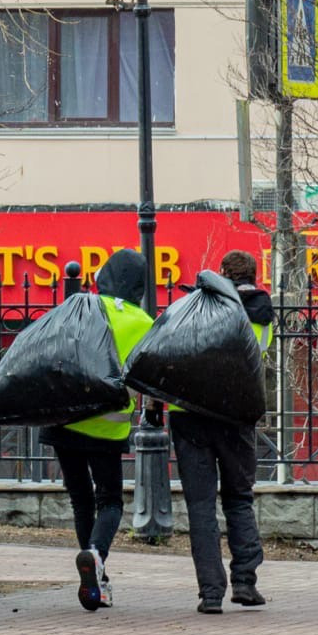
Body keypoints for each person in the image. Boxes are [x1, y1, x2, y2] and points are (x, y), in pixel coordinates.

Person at [43, 248, 154, 613]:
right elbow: (148, 378)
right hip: (107, 428)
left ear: (103, 276)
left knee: (80, 498)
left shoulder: (81, 308)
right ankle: (95, 555)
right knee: (109, 500)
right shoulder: (143, 322)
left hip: (65, 419)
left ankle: (95, 584)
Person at [174, 250, 277, 614]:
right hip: (236, 416)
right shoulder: (262, 315)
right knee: (238, 498)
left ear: (220, 275)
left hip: (190, 418)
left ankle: (211, 593)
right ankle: (246, 582)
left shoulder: (197, 307)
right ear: (254, 275)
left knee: (201, 507)